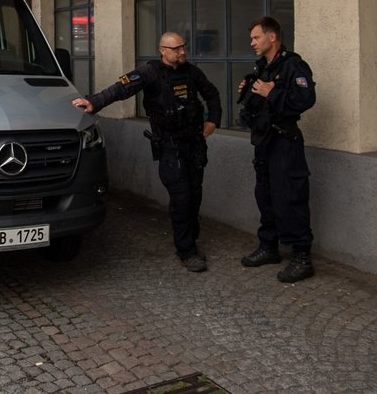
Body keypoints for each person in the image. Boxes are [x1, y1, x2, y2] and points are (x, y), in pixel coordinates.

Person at [73, 31, 221, 272]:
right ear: (162, 50)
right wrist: (95, 102)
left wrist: (213, 120)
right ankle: (187, 250)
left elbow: (212, 93)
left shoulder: (192, 72)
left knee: (194, 196)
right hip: (171, 148)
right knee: (181, 198)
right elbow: (120, 89)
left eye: (183, 47)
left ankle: (190, 239)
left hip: (194, 146)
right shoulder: (149, 72)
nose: (182, 52)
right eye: (176, 49)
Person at [235, 16, 317, 282]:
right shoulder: (263, 67)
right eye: (252, 39)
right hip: (264, 141)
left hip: (285, 142)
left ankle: (302, 258)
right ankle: (269, 247)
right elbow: (261, 102)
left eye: (256, 37)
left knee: (290, 198)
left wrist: (272, 92)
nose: (252, 43)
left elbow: (305, 100)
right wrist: (249, 91)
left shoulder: (293, 65)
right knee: (265, 195)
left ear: (272, 37)